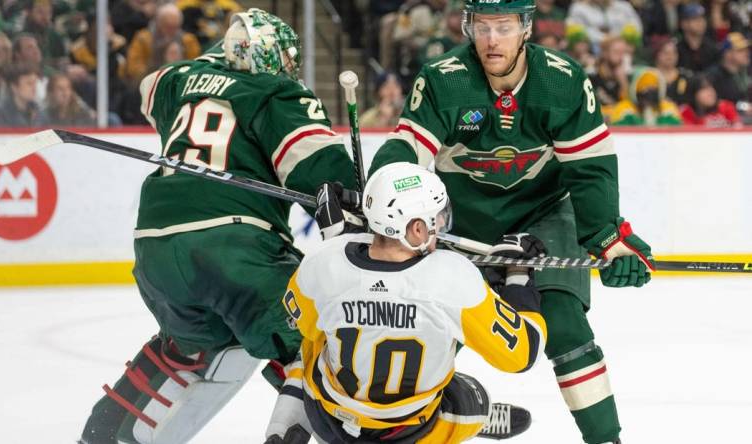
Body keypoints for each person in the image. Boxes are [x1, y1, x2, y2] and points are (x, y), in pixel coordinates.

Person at [319, 1, 655, 443]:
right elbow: (408, 148)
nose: (492, 39)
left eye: (504, 26)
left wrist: (608, 238)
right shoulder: (443, 79)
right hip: (459, 219)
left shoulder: (563, 79)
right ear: (468, 27)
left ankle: (606, 438)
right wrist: (382, 193)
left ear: (525, 28)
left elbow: (590, 168)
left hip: (543, 213)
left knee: (564, 323)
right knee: (418, 326)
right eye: (482, 27)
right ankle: (457, 414)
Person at [78, 8, 358, 444]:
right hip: (234, 250)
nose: (288, 71)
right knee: (312, 332)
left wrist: (225, 57)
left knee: (190, 346)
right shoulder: (277, 92)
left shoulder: (178, 80)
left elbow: (147, 87)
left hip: (155, 252)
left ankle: (104, 433)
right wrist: (356, 196)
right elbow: (321, 167)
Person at [266, 162, 546, 443]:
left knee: (313, 344)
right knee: (474, 398)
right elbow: (523, 355)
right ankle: (473, 421)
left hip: (329, 419)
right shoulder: (453, 277)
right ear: (416, 229)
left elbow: (304, 321)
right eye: (436, 218)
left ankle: (283, 427)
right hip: (412, 432)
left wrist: (340, 239)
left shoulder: (322, 262)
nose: (441, 224)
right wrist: (518, 277)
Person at [125, 3, 201, 84]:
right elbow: (134, 69)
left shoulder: (188, 41)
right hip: (150, 83)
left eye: (175, 27)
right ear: (159, 23)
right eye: (168, 27)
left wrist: (179, 64)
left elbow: (196, 68)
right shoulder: (143, 39)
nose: (172, 31)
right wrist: (161, 69)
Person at [608, 67, 683, 126]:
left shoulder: (669, 110)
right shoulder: (623, 109)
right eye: (644, 88)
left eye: (653, 88)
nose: (649, 92)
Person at [0, 62, 45, 127]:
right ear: (14, 87)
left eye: (35, 83)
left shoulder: (38, 111)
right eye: (29, 83)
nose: (34, 88)